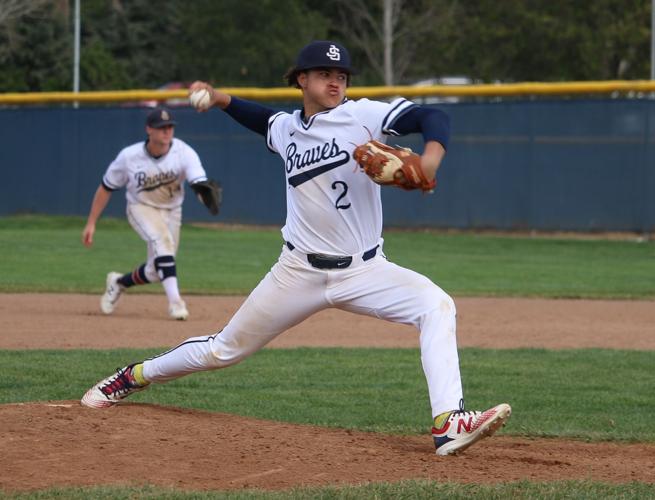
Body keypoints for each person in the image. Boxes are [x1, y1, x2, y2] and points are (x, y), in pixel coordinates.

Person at [81, 41, 511, 455]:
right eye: (325, 74)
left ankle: (447, 423)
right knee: (223, 349)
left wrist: (430, 160)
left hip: (365, 271)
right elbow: (260, 118)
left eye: (341, 74)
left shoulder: (363, 115)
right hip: (297, 273)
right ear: (301, 79)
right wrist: (219, 98)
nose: (336, 82)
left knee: (436, 306)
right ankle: (133, 376)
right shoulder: (287, 129)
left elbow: (433, 115)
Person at [82, 107, 210, 321]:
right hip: (140, 207)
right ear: (149, 129)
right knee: (164, 243)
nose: (167, 131)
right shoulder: (129, 157)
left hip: (172, 210)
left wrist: (204, 194)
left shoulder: (184, 152)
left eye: (170, 127)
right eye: (161, 127)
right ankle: (176, 303)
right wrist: (91, 222)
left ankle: (119, 283)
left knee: (155, 270)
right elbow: (106, 188)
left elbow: (199, 182)